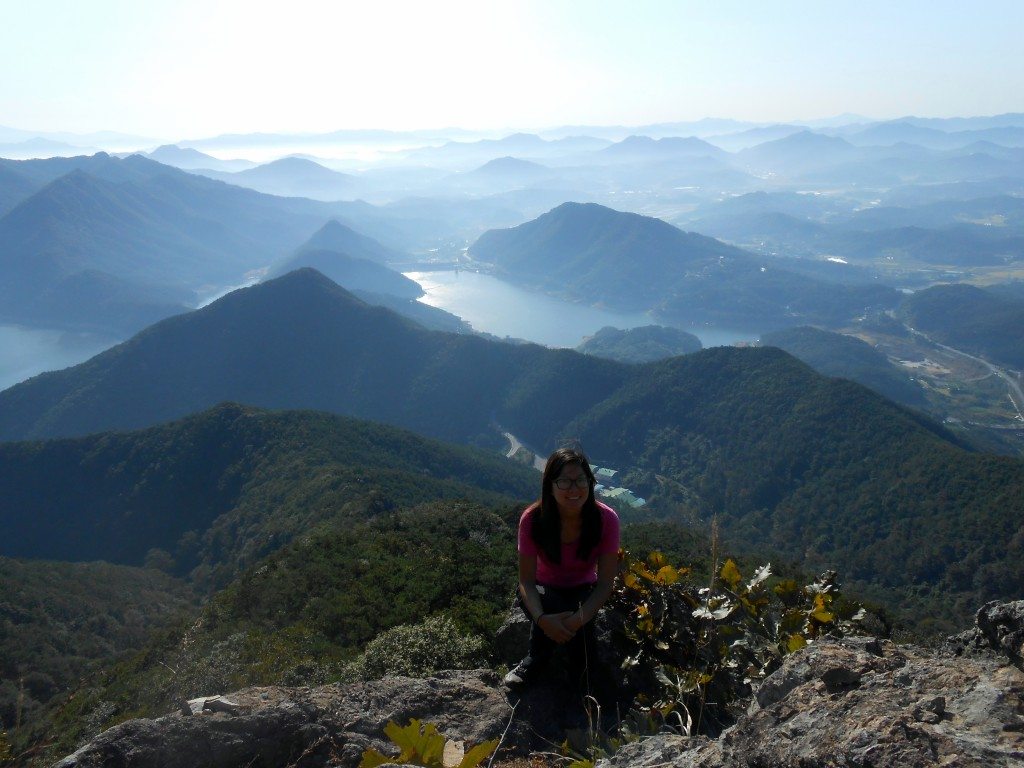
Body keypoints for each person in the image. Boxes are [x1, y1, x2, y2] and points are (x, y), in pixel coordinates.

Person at [504, 447, 620, 696]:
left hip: (583, 590)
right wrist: (543, 621)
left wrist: (574, 621)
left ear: (590, 482)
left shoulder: (606, 519)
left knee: (580, 629)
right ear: (550, 485)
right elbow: (525, 581)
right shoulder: (533, 519)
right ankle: (536, 661)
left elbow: (605, 583)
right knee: (552, 601)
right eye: (564, 481)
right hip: (543, 590)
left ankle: (574, 678)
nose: (574, 489)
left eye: (581, 480)